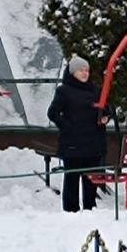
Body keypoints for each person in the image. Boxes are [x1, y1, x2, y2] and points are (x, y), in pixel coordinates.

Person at [47, 56, 104, 213]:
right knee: (72, 177)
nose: (85, 73)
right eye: (81, 70)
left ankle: (90, 208)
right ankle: (71, 210)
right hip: (72, 143)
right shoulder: (64, 91)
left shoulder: (94, 90)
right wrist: (67, 127)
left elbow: (105, 107)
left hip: (92, 141)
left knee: (91, 177)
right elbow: (53, 113)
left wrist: (105, 116)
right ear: (73, 72)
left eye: (86, 70)